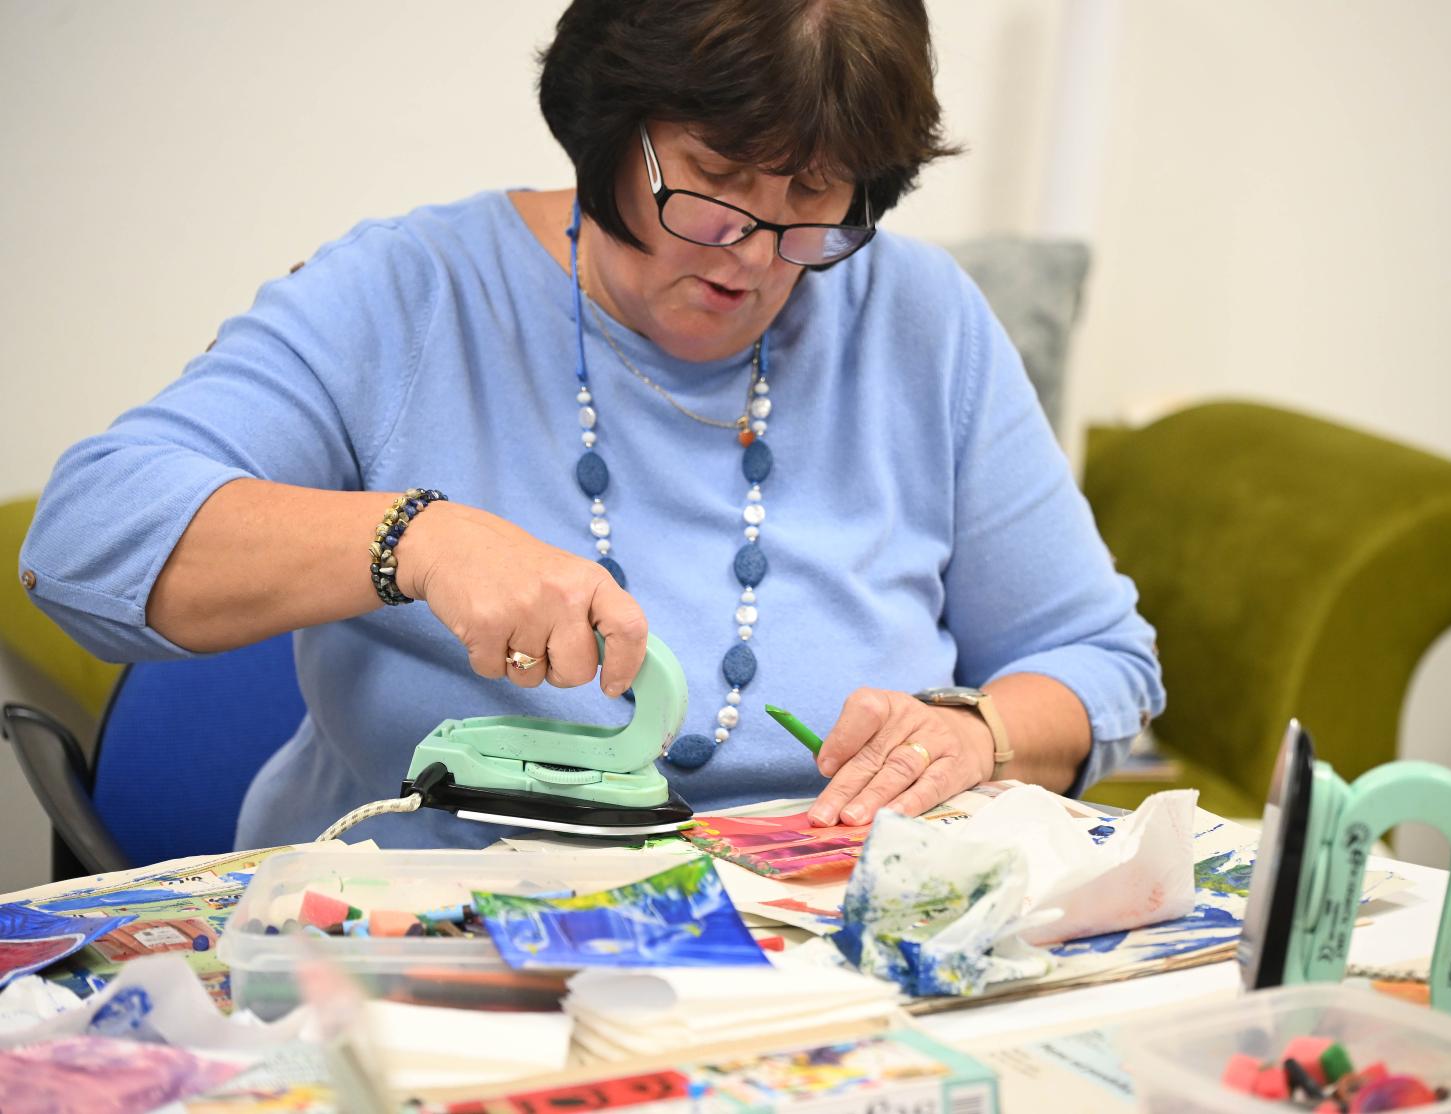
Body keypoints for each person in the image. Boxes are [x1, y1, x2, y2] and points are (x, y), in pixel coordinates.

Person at [20, 0, 1164, 850]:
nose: (755, 258)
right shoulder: (412, 294)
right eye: (715, 182)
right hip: (434, 952)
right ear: (610, 129)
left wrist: (979, 731)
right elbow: (82, 539)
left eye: (813, 200)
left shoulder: (920, 319)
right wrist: (420, 539)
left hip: (821, 966)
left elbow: (1096, 658)